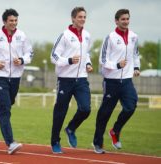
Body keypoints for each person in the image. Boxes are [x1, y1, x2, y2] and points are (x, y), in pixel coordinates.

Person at [0, 8, 34, 155]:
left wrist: (22, 60)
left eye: (16, 20)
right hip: (0, 76)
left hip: (16, 76)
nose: (14, 23)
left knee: (8, 103)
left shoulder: (22, 36)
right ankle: (10, 143)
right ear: (4, 21)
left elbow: (30, 53)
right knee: (5, 109)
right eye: (11, 21)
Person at [92, 9, 140, 154]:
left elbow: (135, 54)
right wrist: (116, 65)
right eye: (123, 19)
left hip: (126, 80)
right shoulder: (110, 38)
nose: (126, 21)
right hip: (111, 81)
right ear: (116, 21)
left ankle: (115, 131)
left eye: (127, 19)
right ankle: (98, 143)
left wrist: (136, 67)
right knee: (105, 113)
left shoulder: (134, 36)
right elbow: (102, 60)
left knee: (131, 107)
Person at [50, 7, 93, 154]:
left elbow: (86, 53)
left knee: (86, 109)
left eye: (84, 17)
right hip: (65, 80)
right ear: (73, 18)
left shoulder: (87, 35)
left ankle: (71, 128)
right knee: (60, 112)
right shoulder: (65, 36)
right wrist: (68, 60)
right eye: (80, 17)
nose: (82, 19)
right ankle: (55, 141)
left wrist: (88, 63)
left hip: (81, 79)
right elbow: (53, 56)